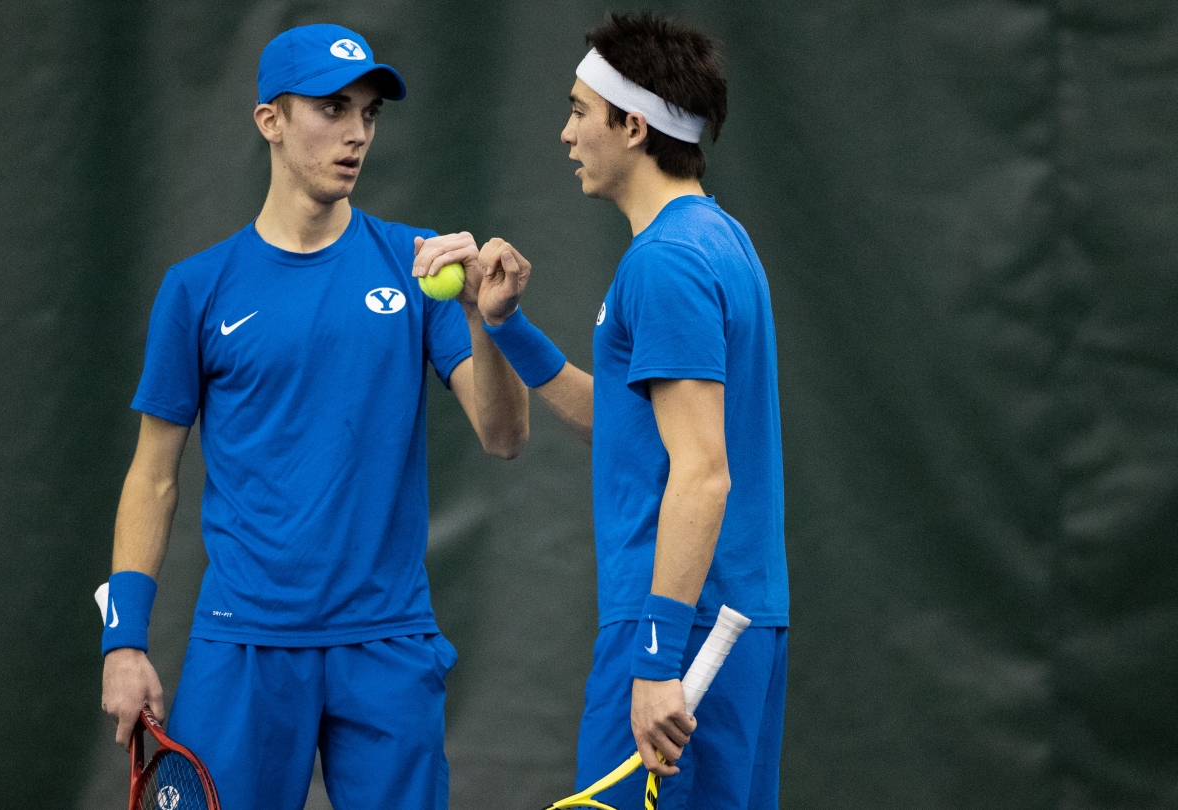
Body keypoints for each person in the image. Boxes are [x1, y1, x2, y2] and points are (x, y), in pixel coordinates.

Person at [97, 24, 528, 810]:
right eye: (333, 109)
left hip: (389, 640)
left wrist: (485, 321)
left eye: (369, 113)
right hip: (245, 640)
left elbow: (504, 437)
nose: (357, 132)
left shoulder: (420, 264)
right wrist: (124, 639)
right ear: (271, 120)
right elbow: (152, 478)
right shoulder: (196, 289)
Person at [473, 12, 789, 810]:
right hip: (725, 623)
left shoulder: (666, 264)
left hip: (677, 631)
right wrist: (506, 327)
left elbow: (704, 475)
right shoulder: (718, 241)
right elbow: (622, 419)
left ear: (633, 126)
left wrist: (653, 658)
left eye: (581, 111)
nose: (566, 132)